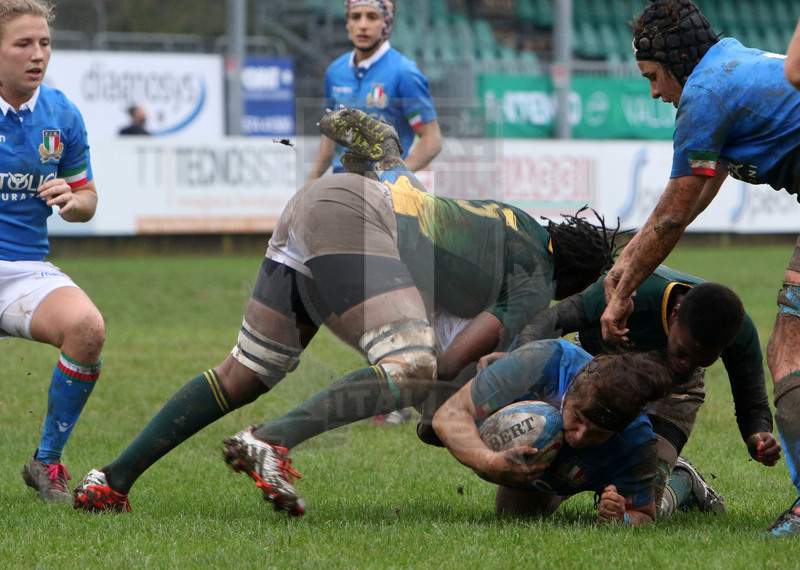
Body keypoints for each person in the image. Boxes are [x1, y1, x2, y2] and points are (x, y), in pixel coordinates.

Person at [73, 108, 619, 516]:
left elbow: (416, 208)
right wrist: (457, 409)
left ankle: (110, 480)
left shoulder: (508, 224)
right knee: (415, 365)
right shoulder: (536, 278)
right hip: (358, 218)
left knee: (245, 373)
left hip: (317, 204)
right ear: (574, 280)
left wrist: (389, 156)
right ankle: (272, 440)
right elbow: (455, 361)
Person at [597, 0, 800, 537]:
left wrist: (623, 291)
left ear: (676, 63)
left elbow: (674, 212)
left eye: (653, 77)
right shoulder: (728, 66)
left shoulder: (706, 93)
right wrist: (628, 260)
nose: (654, 92)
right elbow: (698, 190)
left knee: (789, 352)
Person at [479, 269, 779, 517]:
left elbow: (752, 401)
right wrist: (518, 361)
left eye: (702, 360)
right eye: (682, 351)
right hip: (597, 372)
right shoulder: (635, 289)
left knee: (647, 505)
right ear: (675, 314)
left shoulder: (737, 330)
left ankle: (682, 480)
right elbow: (555, 318)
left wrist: (758, 436)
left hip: (676, 395)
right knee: (518, 512)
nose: (684, 364)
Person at [0, 0, 104, 502]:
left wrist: (72, 199)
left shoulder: (61, 113)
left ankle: (47, 462)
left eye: (44, 43)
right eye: (23, 43)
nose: (37, 54)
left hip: (25, 270)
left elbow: (88, 200)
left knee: (87, 328)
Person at [432, 339, 673, 526]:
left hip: (596, 469)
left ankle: (682, 479)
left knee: (659, 496)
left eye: (597, 433)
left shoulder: (636, 442)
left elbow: (644, 514)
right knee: (513, 514)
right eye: (577, 418)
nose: (579, 436)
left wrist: (622, 518)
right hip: (550, 464)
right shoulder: (543, 362)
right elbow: (449, 413)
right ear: (570, 390)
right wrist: (488, 461)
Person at [305, 0, 441, 183]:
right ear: (348, 23)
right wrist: (310, 181)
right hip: (341, 186)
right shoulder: (335, 72)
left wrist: (396, 178)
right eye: (355, 17)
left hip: (384, 191)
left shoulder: (404, 73)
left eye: (372, 17)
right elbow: (330, 136)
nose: (362, 25)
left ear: (387, 22)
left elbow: (432, 140)